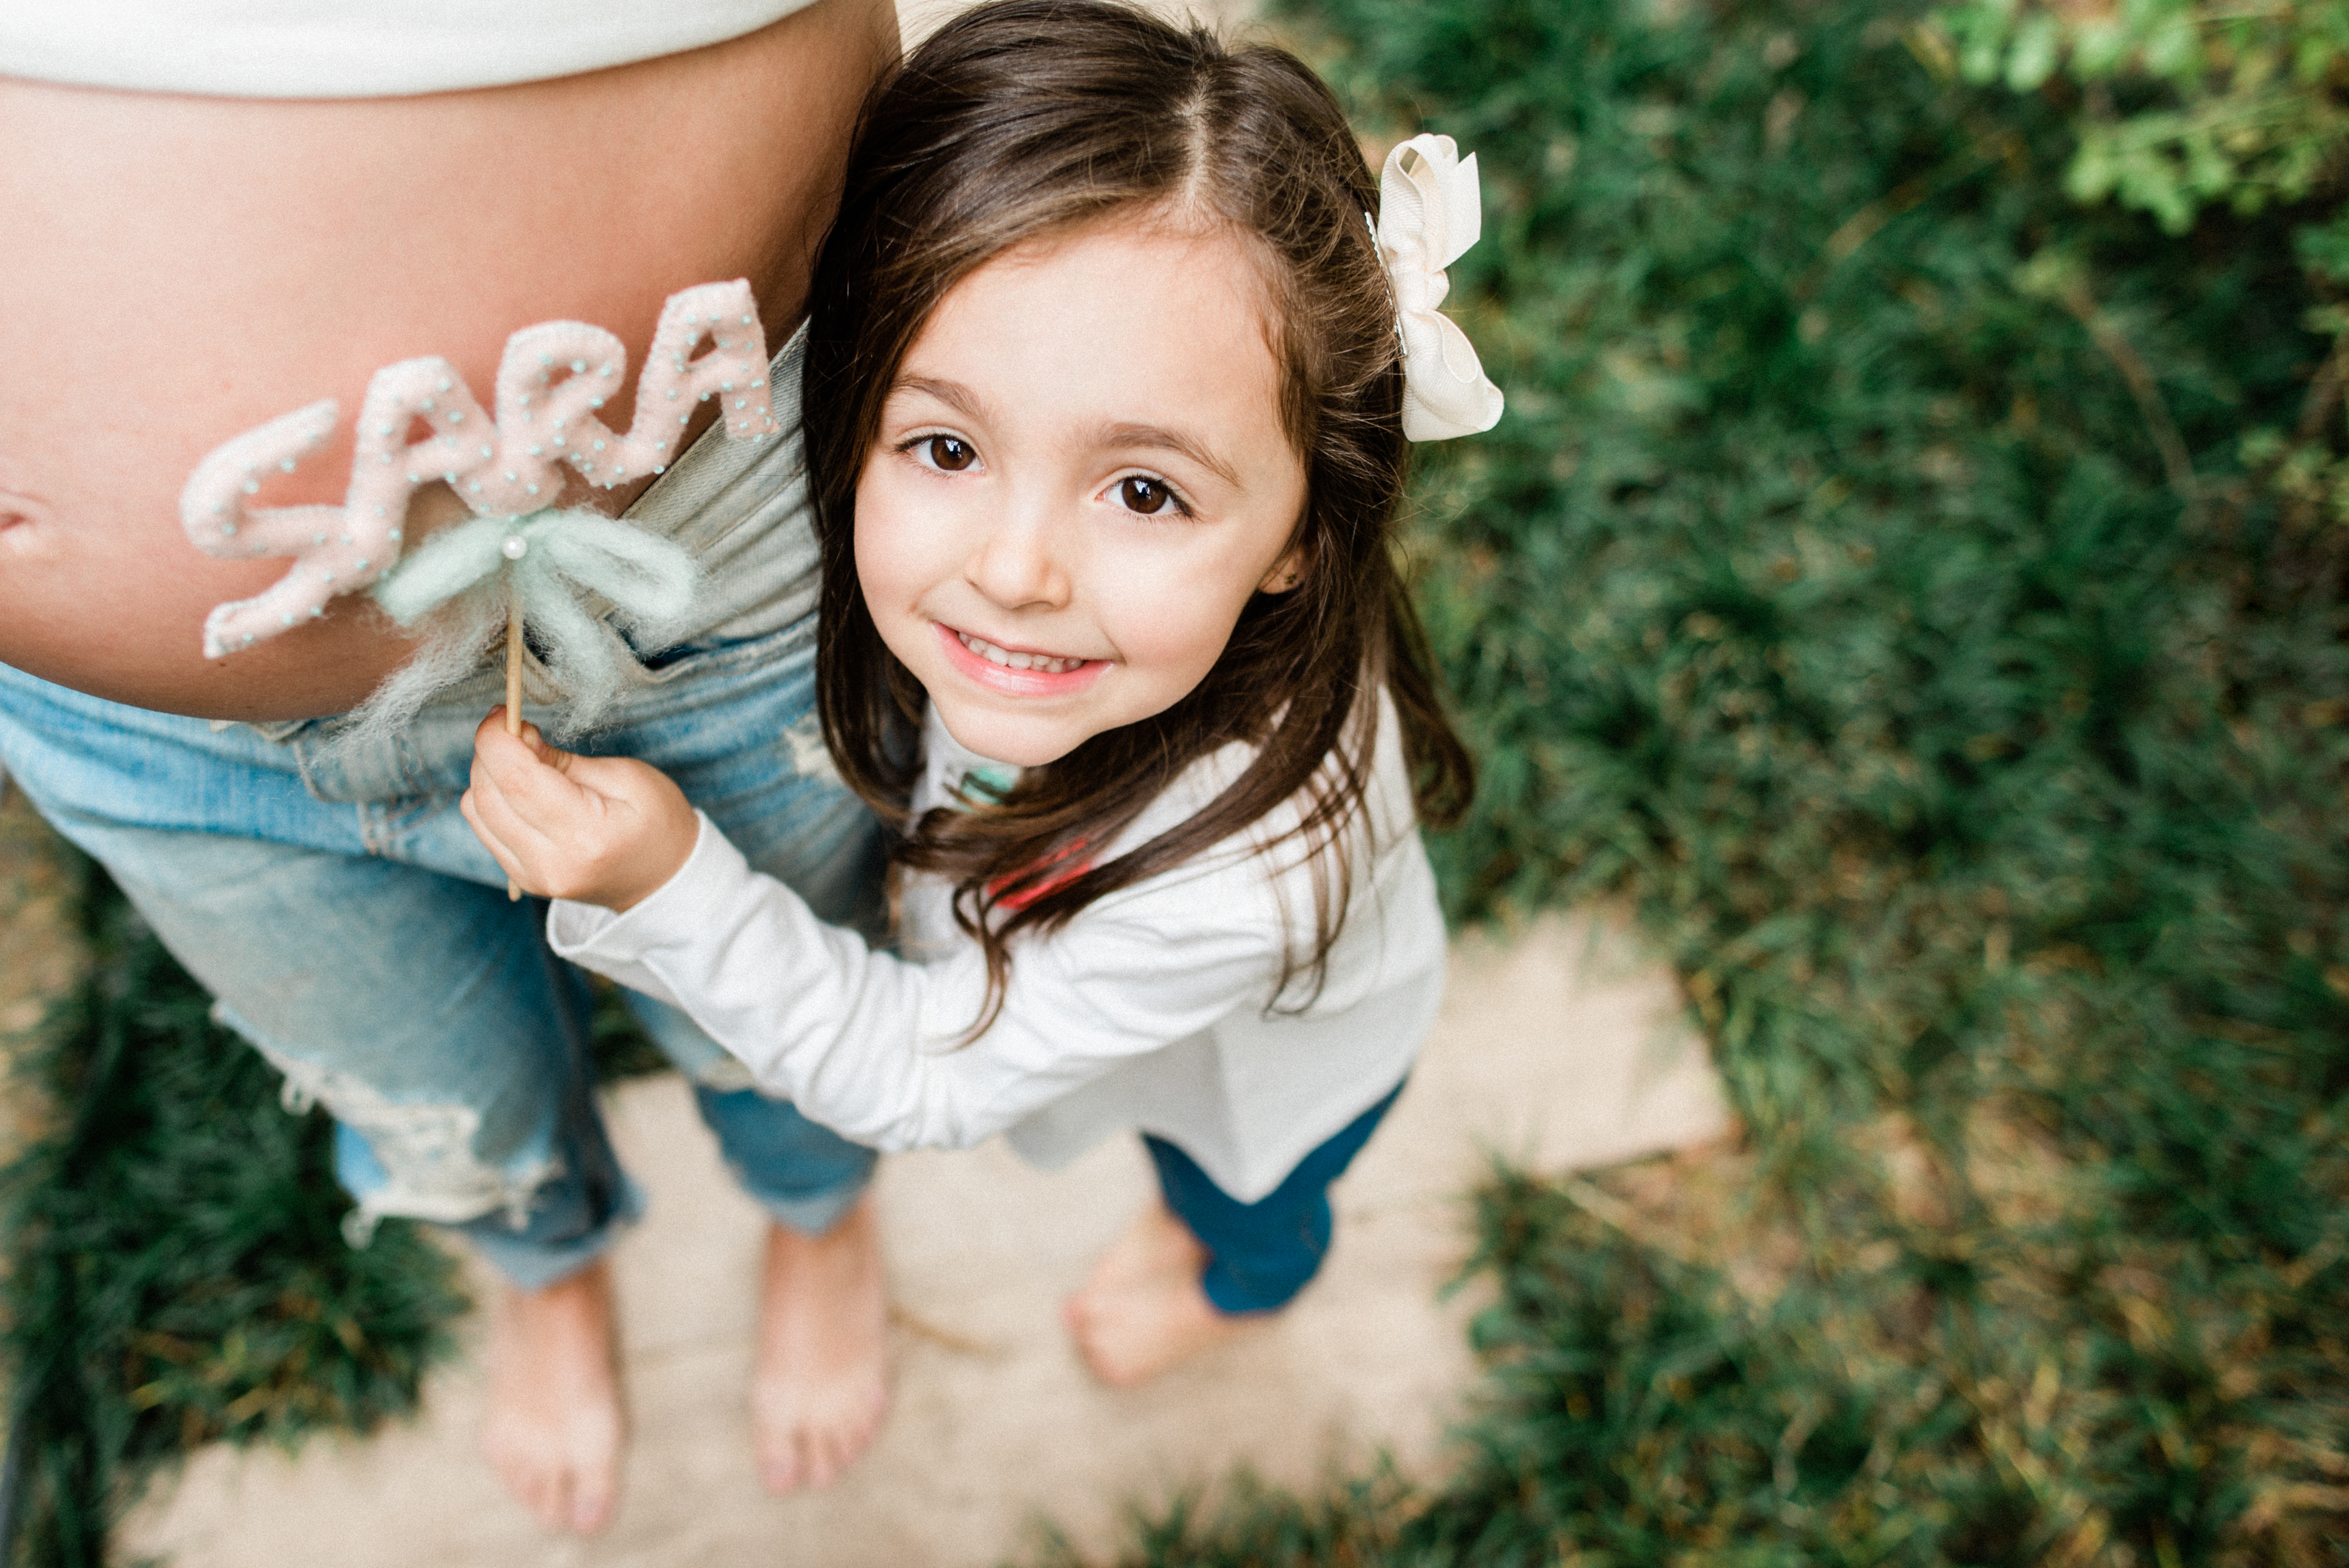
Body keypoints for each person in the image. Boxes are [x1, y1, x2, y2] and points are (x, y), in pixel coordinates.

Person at [463, 0, 1496, 1396]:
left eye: (1143, 490)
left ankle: (1242, 1290)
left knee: (1246, 1200)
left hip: (1275, 1071)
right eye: (946, 443)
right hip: (1092, 960)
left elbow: (932, 1077)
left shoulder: (1253, 877)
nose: (1013, 571)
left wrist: (669, 882)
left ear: (1303, 529)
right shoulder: (1113, 640)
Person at [0, 0, 904, 1535]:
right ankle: (543, 1270)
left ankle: (818, 1212)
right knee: (422, 1076)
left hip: (707, 567)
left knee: (788, 978)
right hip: (144, 724)